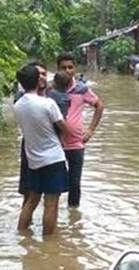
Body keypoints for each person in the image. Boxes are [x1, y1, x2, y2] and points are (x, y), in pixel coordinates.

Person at [13, 64, 71, 235]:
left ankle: (21, 235)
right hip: (53, 159)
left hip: (33, 160)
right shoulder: (48, 103)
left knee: (31, 201)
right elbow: (64, 128)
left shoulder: (18, 106)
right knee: (51, 203)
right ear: (38, 81)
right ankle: (49, 244)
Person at [56, 52, 104, 208]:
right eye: (63, 68)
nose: (67, 71)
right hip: (55, 144)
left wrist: (90, 130)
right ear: (58, 69)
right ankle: (52, 213)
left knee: (75, 184)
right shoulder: (51, 90)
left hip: (76, 144)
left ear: (75, 69)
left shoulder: (81, 89)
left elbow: (99, 105)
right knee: (53, 185)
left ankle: (73, 216)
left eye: (70, 67)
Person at [16, 61, 49, 202]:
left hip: (51, 148)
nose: (41, 77)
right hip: (30, 147)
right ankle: (26, 223)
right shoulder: (22, 98)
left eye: (44, 74)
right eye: (38, 74)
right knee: (29, 192)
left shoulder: (53, 95)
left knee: (52, 193)